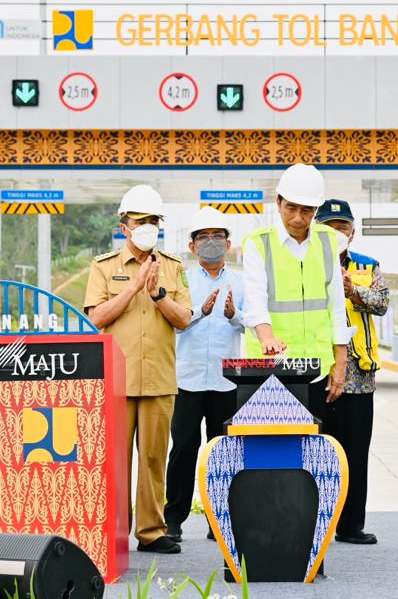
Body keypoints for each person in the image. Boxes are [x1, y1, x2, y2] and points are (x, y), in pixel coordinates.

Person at [84, 184, 192, 555]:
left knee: (152, 459)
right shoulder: (103, 267)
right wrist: (131, 289)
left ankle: (151, 531)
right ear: (124, 224)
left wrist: (159, 294)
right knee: (115, 460)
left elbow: (184, 319)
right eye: (140, 220)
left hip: (159, 379)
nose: (147, 227)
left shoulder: (173, 268)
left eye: (153, 221)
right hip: (117, 381)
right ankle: (115, 531)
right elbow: (96, 317)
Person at [241, 164, 349, 417]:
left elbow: (335, 303)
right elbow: (255, 300)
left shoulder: (327, 241)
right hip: (271, 368)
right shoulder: (258, 243)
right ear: (278, 202)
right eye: (291, 207)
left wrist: (340, 359)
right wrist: (266, 337)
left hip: (317, 367)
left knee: (314, 449)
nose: (298, 217)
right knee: (275, 450)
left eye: (307, 210)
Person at [164, 206, 243, 543]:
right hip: (187, 378)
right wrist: (200, 312)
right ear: (192, 246)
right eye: (203, 237)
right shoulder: (181, 282)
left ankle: (219, 518)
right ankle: (174, 518)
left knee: (223, 451)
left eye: (217, 236)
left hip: (226, 380)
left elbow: (251, 325)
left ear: (228, 243)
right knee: (183, 448)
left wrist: (231, 315)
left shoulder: (240, 282)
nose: (211, 242)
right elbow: (173, 327)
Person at [315, 198, 389, 545]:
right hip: (317, 372)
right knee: (317, 451)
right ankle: (315, 521)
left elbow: (383, 303)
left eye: (342, 227)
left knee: (356, 452)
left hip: (358, 375)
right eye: (329, 227)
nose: (336, 233)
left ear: (353, 232)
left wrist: (353, 290)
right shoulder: (304, 264)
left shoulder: (367, 266)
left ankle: (351, 526)